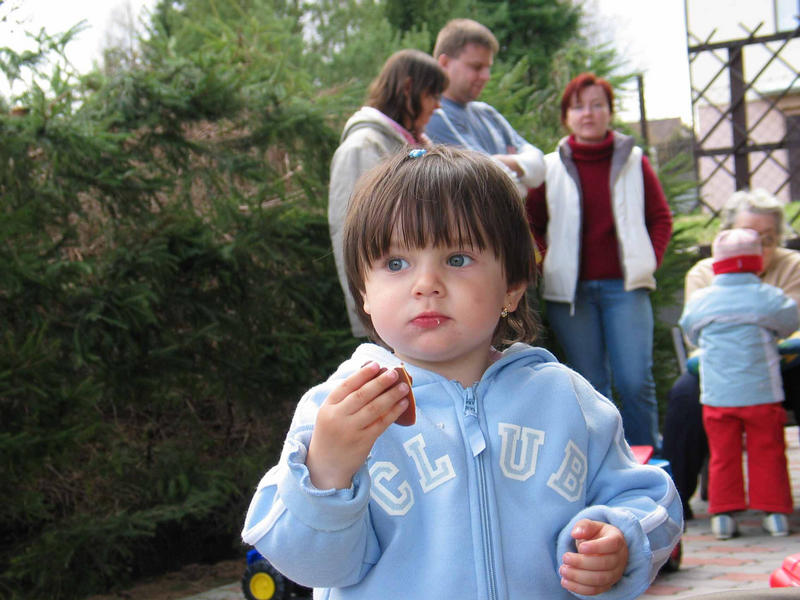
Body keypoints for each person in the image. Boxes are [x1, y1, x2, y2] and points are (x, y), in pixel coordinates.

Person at [242, 145, 682, 599]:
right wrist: (327, 470)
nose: (425, 283)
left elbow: (650, 499)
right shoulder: (340, 410)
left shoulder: (565, 399)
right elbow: (309, 564)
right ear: (364, 291)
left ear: (512, 285)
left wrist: (621, 539)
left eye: (457, 258)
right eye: (396, 263)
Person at [526, 72, 673, 449]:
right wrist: (547, 264)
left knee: (635, 381)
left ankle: (650, 471)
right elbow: (531, 225)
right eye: (578, 106)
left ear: (609, 112)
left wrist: (648, 261)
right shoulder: (549, 167)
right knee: (588, 386)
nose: (588, 113)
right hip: (571, 296)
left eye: (596, 105)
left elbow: (660, 218)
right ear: (566, 116)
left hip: (625, 289)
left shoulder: (634, 161)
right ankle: (604, 471)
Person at [662, 188, 800, 520]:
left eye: (769, 237)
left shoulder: (793, 265)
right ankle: (674, 500)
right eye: (752, 236)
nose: (762, 246)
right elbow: (695, 335)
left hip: (783, 366)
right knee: (684, 394)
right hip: (722, 371)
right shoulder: (704, 272)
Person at [329, 49, 448, 337]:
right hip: (391, 313)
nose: (437, 106)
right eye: (432, 95)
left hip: (428, 303)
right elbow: (353, 237)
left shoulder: (416, 144)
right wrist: (369, 318)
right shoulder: (363, 147)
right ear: (408, 88)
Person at [425, 18, 545, 197]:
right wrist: (518, 167)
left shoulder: (487, 114)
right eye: (476, 67)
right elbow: (489, 187)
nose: (486, 76)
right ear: (444, 63)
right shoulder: (433, 116)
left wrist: (500, 163)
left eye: (488, 67)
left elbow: (540, 165)